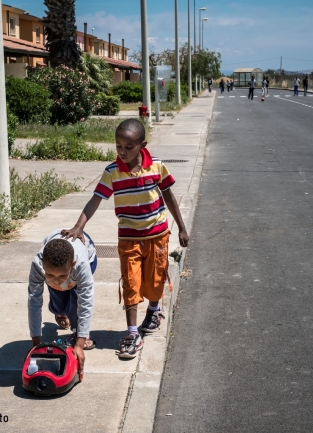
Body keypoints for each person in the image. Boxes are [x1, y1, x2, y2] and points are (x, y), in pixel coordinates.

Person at [62, 119, 189, 360]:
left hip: (158, 236)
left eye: (129, 146)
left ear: (142, 145)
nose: (122, 151)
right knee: (131, 283)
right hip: (129, 239)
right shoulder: (113, 172)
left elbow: (170, 197)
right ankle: (132, 334)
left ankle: (154, 310)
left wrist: (181, 227)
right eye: (118, 145)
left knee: (154, 281)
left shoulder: (157, 167)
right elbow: (95, 200)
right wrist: (79, 226)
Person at [28, 229, 98, 381]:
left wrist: (80, 343)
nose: (57, 279)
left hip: (88, 256)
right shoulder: (37, 265)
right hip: (58, 263)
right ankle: (59, 311)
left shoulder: (80, 265)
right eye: (50, 275)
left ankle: (76, 330)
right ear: (42, 265)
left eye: (61, 275)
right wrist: (36, 344)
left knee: (74, 298)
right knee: (60, 298)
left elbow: (86, 303)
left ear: (72, 264)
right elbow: (34, 301)